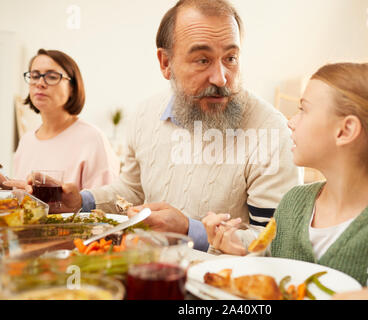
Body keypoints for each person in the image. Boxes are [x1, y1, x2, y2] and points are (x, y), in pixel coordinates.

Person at [20, 0, 298, 252]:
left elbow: (278, 243)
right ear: (165, 63)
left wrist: (191, 230)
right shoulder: (144, 115)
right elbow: (132, 190)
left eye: (230, 58)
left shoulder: (270, 132)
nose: (221, 77)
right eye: (203, 60)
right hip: (149, 274)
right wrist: (82, 202)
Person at [202, 62, 368, 299]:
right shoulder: (293, 204)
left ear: (345, 131)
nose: (291, 121)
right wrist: (240, 247)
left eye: (304, 109)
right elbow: (270, 265)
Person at [4, 49, 120, 190]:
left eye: (52, 77)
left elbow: (106, 204)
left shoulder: (92, 138)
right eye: (34, 76)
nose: (40, 83)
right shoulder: (26, 141)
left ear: (72, 87)